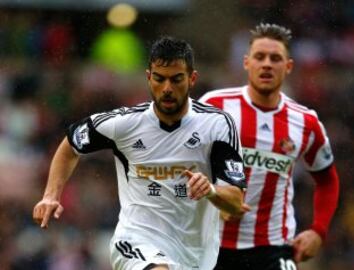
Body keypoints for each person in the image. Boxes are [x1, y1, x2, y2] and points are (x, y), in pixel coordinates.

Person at [33, 36, 247, 270]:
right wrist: (50, 195)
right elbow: (70, 145)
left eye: (176, 79)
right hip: (137, 241)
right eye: (159, 79)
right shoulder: (124, 124)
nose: (167, 88)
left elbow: (236, 203)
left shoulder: (216, 125)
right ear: (148, 77)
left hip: (196, 255)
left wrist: (211, 190)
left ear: (192, 79)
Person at [199, 23, 340, 270]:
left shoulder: (305, 122)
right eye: (259, 57)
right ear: (246, 62)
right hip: (209, 245)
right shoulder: (214, 106)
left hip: (272, 248)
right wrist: (214, 198)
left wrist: (318, 231)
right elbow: (179, 162)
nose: (267, 64)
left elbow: (327, 180)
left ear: (288, 67)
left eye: (275, 58)